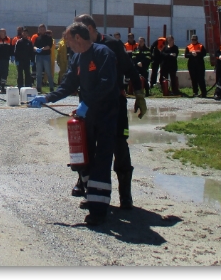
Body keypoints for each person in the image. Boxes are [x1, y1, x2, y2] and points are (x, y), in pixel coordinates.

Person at [29, 22, 118, 226]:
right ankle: (91, 196)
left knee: (102, 160)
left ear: (78, 38)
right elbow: (68, 85)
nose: (66, 44)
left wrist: (87, 103)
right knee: (84, 157)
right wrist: (47, 98)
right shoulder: (77, 58)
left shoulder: (103, 53)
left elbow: (107, 83)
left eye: (68, 40)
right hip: (88, 116)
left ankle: (98, 211)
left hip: (106, 115)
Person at [73, 14, 146, 210]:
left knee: (119, 146)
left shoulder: (112, 45)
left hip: (114, 104)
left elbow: (130, 69)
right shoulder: (79, 48)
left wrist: (139, 95)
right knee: (87, 147)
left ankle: (125, 196)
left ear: (89, 29)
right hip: (89, 105)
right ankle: (90, 192)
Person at [33, 24, 54, 92]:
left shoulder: (49, 37)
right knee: (38, 73)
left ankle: (51, 87)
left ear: (45, 30)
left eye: (43, 29)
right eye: (40, 29)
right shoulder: (37, 38)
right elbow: (34, 46)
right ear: (38, 30)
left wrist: (42, 49)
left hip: (46, 56)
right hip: (38, 56)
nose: (41, 30)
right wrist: (36, 49)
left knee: (48, 72)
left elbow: (49, 46)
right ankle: (38, 87)